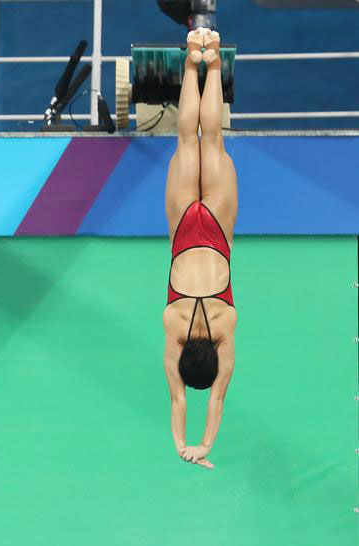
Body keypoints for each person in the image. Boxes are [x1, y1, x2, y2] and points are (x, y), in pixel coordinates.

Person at [163, 28, 237, 470]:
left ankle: (209, 56)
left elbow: (218, 398)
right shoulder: (171, 323)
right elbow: (176, 397)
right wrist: (181, 443)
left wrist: (205, 443)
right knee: (187, 140)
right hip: (183, 230)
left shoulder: (227, 322)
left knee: (212, 141)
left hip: (217, 228)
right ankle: (193, 59)